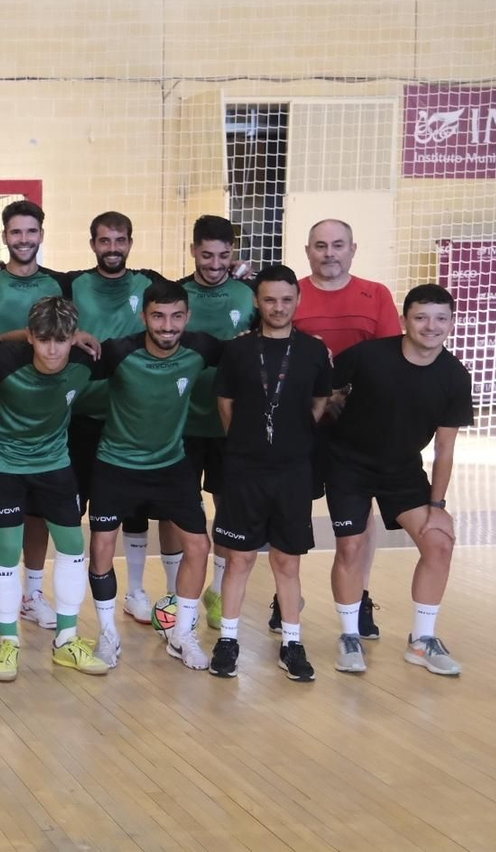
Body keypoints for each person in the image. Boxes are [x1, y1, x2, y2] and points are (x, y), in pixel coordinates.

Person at [327, 285, 472, 677]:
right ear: (405, 319)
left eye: (441, 318)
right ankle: (350, 636)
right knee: (351, 547)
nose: (431, 326)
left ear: (451, 323)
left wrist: (437, 508)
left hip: (402, 472)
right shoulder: (370, 355)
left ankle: (422, 641)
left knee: (439, 542)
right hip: (348, 466)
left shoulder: (455, 376)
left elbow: (444, 449)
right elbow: (321, 387)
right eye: (422, 317)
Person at [0, 297, 109, 680]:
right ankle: (10, 642)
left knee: (73, 546)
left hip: (53, 460)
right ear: (30, 337)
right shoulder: (2, 359)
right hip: (2, 460)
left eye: (61, 340)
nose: (52, 349)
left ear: (73, 339)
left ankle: (66, 640)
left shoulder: (85, 361)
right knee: (9, 549)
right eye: (44, 339)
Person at [84, 281, 220, 670]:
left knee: (198, 547)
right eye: (158, 316)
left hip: (171, 465)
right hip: (116, 465)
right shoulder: (118, 352)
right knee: (101, 549)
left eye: (176, 316)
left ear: (187, 317)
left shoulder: (201, 348)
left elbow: (247, 352)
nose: (168, 325)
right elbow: (70, 362)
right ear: (144, 317)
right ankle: (108, 634)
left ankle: (182, 633)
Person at [208, 266, 330, 681]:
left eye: (286, 299)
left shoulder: (314, 351)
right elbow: (226, 405)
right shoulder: (239, 351)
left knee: (287, 562)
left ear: (297, 300)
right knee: (239, 558)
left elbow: (318, 403)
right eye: (269, 300)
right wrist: (250, 442)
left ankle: (292, 643)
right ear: (257, 303)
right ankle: (228, 640)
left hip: (294, 471)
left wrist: (288, 439)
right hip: (245, 469)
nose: (278, 307)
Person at [291, 218, 401, 639]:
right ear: (308, 251)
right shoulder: (293, 296)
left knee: (358, 517)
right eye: (321, 245)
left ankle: (361, 596)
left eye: (338, 245)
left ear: (353, 249)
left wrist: (349, 396)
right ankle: (287, 599)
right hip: (303, 423)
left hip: (360, 427)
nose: (329, 253)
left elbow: (391, 361)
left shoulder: (377, 295)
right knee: (292, 509)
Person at [0, 200, 73, 635]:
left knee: (39, 513)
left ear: (41, 235)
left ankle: (31, 594)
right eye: (16, 233)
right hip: (1, 414)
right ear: (5, 237)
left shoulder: (62, 283)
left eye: (31, 232)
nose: (23, 240)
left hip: (47, 417)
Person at [61, 212, 170, 626]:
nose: (112, 248)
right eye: (104, 240)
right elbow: (47, 321)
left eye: (119, 240)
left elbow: (181, 301)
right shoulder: (71, 284)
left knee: (135, 510)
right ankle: (64, 602)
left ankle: (137, 591)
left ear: (130, 242)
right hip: (79, 416)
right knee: (73, 512)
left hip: (129, 417)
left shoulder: (148, 284)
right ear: (92, 244)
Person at [174, 216, 255, 628]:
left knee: (228, 508)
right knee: (181, 509)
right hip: (183, 422)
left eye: (224, 255)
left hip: (231, 425)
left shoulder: (249, 294)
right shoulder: (176, 295)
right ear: (193, 251)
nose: (215, 263)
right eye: (207, 254)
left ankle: (219, 592)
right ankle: (176, 594)